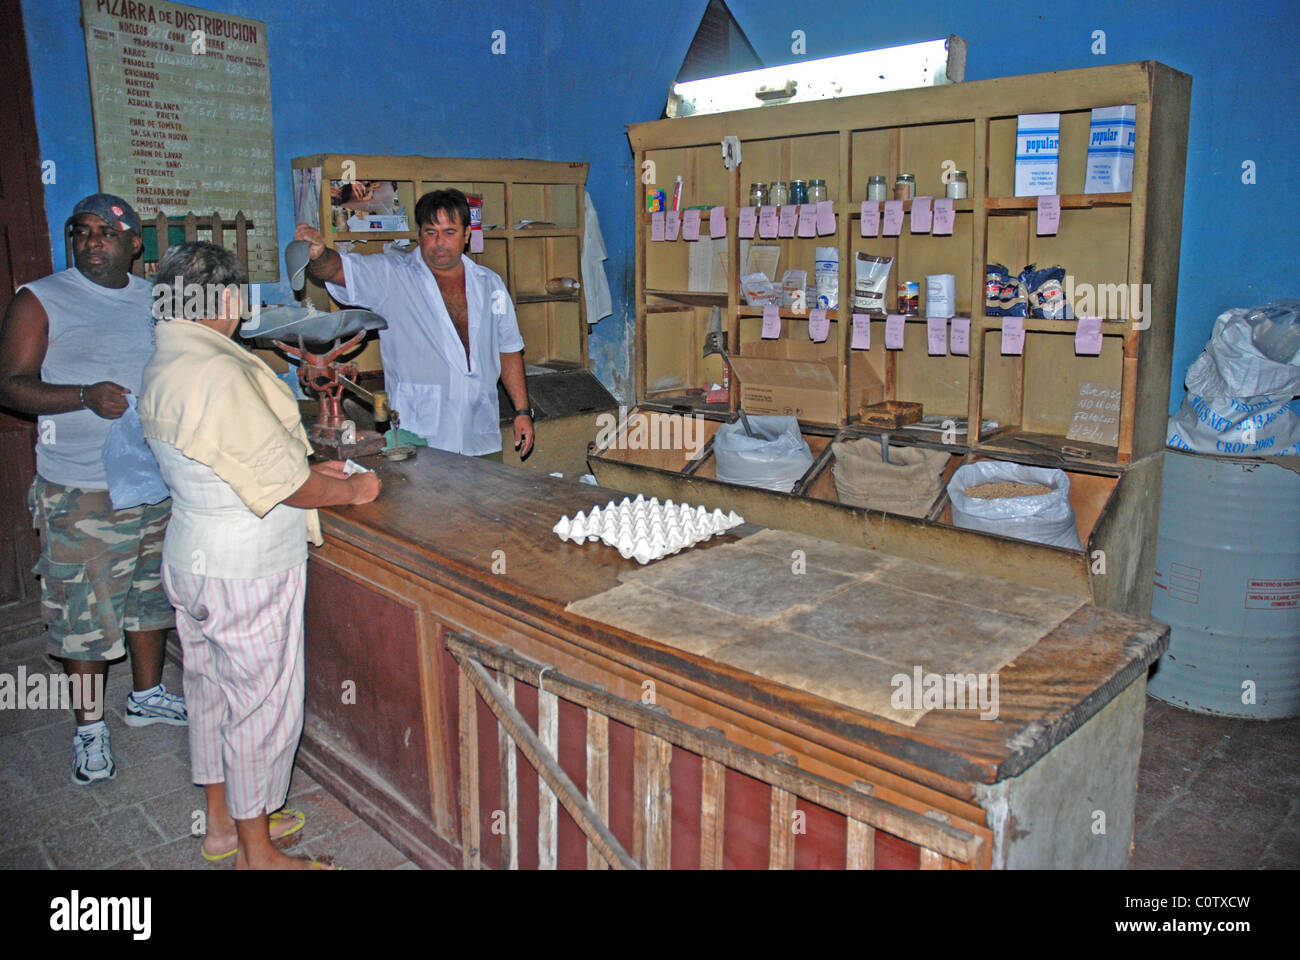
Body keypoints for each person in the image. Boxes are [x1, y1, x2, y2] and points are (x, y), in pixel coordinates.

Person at [137, 240, 381, 869]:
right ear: (221, 299)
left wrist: (306, 466)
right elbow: (281, 486)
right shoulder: (219, 371)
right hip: (245, 565)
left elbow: (226, 459)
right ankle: (258, 854)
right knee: (259, 707)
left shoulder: (167, 360)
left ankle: (223, 826)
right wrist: (348, 488)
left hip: (190, 554)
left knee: (211, 693)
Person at [0, 193, 186, 785]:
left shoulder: (155, 298)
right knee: (85, 611)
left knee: (149, 598)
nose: (92, 240)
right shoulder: (41, 298)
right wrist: (82, 396)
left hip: (154, 481)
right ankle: (88, 727)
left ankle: (147, 695)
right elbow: (10, 385)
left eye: (107, 231)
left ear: (135, 243)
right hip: (82, 488)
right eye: (81, 231)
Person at [295, 188, 535, 461]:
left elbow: (508, 348)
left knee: (485, 503)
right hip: (419, 436)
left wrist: (522, 412)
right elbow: (337, 270)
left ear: (466, 234)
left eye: (449, 232)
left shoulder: (490, 284)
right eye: (431, 233)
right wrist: (318, 256)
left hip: (480, 432)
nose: (439, 242)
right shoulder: (393, 276)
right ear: (419, 235)